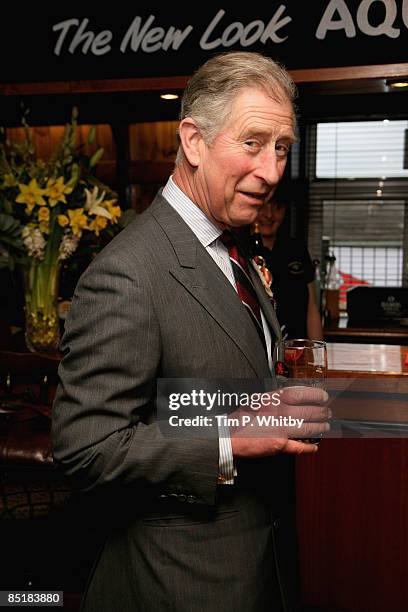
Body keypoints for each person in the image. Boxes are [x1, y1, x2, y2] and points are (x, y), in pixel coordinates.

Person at [52, 51, 329, 612]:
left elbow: (185, 397)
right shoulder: (129, 272)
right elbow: (86, 448)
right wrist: (228, 440)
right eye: (252, 143)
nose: (272, 171)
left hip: (263, 564)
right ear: (194, 140)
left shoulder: (237, 244)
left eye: (281, 149)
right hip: (180, 582)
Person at [254, 189, 323, 340]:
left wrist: (316, 354)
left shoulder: (297, 249)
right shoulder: (243, 250)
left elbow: (312, 310)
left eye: (277, 207)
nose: (270, 215)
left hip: (298, 351)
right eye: (263, 206)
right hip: (262, 355)